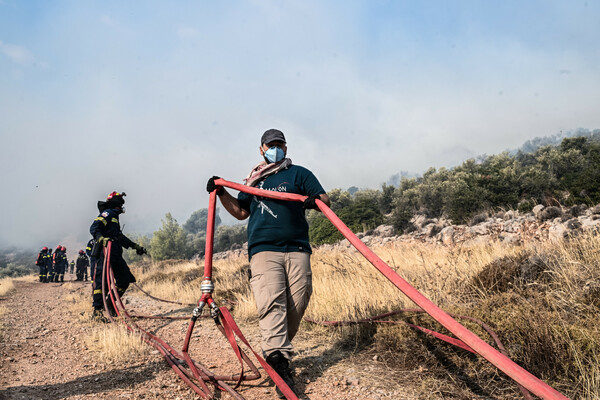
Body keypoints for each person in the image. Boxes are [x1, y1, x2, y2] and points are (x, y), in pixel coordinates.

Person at [206, 128, 330, 398]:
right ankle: (279, 363)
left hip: (297, 247)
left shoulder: (299, 174)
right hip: (264, 250)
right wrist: (222, 191)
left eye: (280, 144)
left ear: (286, 147)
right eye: (271, 145)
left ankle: (278, 349)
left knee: (299, 299)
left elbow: (324, 199)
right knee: (272, 301)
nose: (276, 148)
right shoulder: (252, 181)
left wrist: (313, 201)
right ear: (261, 149)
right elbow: (241, 212)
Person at [89, 191, 146, 322]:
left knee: (125, 279)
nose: (121, 207)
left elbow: (119, 237)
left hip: (115, 253)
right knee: (101, 281)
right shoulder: (108, 213)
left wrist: (135, 246)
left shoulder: (115, 217)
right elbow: (94, 227)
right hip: (105, 253)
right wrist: (101, 238)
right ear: (117, 204)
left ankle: (109, 304)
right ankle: (97, 312)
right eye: (120, 204)